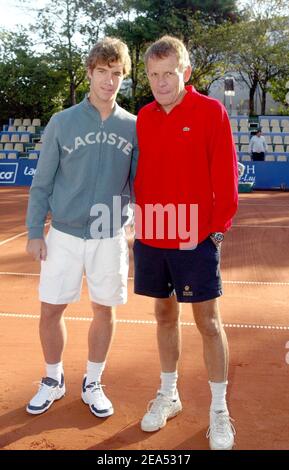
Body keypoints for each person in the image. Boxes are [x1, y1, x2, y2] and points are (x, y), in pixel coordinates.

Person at [133, 36, 238, 450]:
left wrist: (215, 229)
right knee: (163, 315)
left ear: (186, 72)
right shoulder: (142, 117)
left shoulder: (212, 112)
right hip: (153, 236)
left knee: (208, 323)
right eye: (154, 75)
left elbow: (226, 178)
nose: (161, 82)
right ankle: (169, 394)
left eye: (169, 73)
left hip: (196, 237)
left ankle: (218, 410)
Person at [25, 37, 137, 418]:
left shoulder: (133, 126)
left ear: (124, 78)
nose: (109, 80)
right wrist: (34, 232)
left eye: (117, 73)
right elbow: (42, 182)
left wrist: (135, 226)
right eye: (102, 72)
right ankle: (53, 379)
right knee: (50, 310)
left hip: (109, 235)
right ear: (90, 72)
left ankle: (93, 381)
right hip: (65, 234)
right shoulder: (63, 122)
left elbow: (139, 184)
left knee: (104, 310)